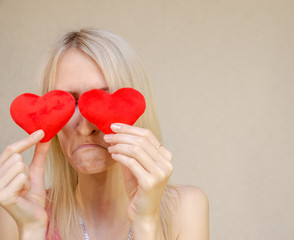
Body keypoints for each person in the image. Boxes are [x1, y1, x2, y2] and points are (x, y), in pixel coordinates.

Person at [0, 28, 209, 240]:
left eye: (101, 98)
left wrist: (145, 222)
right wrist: (32, 230)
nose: (85, 127)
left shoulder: (186, 208)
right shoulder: (17, 212)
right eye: (69, 102)